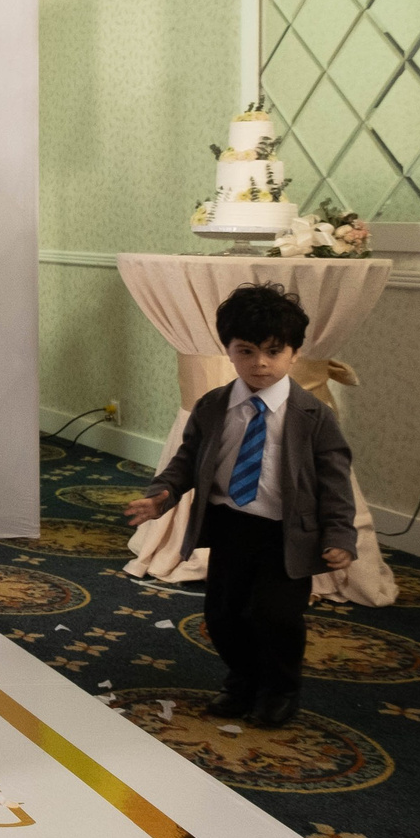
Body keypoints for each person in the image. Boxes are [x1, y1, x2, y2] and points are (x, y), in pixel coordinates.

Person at [124, 282, 355, 728]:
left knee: (276, 616)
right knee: (223, 614)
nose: (260, 364)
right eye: (246, 351)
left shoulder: (314, 417)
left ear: (294, 353)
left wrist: (340, 535)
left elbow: (335, 483)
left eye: (273, 351)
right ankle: (244, 680)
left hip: (285, 533)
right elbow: (188, 460)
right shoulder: (214, 406)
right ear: (228, 350)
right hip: (231, 525)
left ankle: (280, 690)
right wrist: (161, 496)